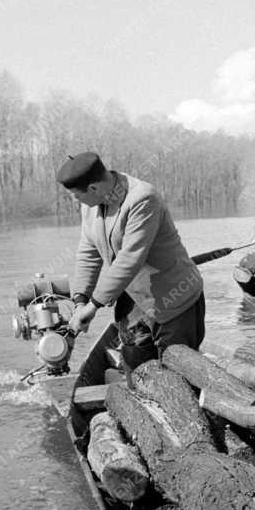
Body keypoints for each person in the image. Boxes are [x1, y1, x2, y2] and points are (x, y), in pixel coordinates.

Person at [57, 151, 205, 369]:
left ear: (94, 188)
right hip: (133, 297)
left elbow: (129, 259)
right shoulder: (90, 205)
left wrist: (94, 305)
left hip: (175, 297)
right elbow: (88, 252)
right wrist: (80, 300)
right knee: (137, 366)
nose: (76, 200)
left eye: (77, 196)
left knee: (179, 371)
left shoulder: (142, 198)